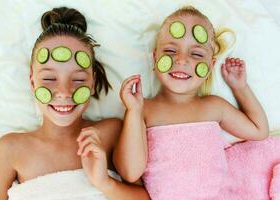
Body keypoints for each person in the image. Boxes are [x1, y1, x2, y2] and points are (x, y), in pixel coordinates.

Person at [114, 5, 279, 199]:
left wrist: (240, 88)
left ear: (211, 65)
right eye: (170, 50)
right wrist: (133, 111)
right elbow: (130, 172)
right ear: (155, 57)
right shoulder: (143, 109)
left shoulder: (213, 106)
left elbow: (259, 131)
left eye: (196, 54)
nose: (182, 60)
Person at [0, 7, 150, 200]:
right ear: (32, 81)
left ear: (93, 83)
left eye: (78, 80)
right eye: (49, 79)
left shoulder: (110, 133)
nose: (64, 93)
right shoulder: (10, 149)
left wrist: (105, 183)